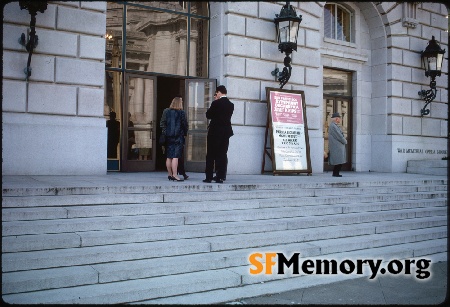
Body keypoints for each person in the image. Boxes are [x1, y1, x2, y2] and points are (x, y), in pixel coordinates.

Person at [203, 85, 234, 183]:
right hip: (226, 132)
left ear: (219, 92)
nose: (215, 95)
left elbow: (208, 115)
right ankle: (220, 176)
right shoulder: (231, 104)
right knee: (222, 154)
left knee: (211, 154)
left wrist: (215, 101)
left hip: (215, 132)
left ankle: (209, 177)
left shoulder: (216, 103)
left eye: (216, 93)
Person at [160, 97, 188, 182]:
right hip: (178, 136)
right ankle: (175, 175)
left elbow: (162, 123)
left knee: (169, 156)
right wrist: (185, 133)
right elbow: (184, 125)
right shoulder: (182, 113)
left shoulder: (166, 111)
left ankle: (170, 174)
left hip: (168, 136)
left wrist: (166, 132)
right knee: (175, 156)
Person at [328, 112, 347, 177]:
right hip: (337, 146)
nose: (340, 119)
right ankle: (335, 173)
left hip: (338, 146)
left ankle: (336, 173)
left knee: (339, 161)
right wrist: (345, 141)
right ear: (336, 119)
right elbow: (339, 136)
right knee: (338, 160)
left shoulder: (334, 126)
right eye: (339, 118)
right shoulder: (333, 126)